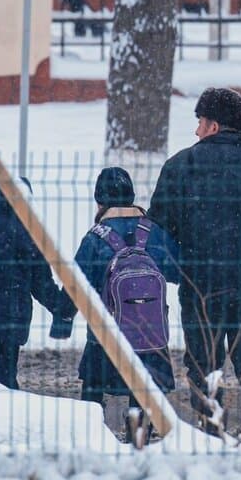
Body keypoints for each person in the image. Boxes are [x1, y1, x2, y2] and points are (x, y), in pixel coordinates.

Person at [148, 87, 241, 443]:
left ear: (214, 125)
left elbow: (158, 232)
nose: (196, 130)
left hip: (200, 284)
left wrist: (181, 271)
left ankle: (211, 428)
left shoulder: (181, 166)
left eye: (200, 122)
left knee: (203, 360)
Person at [74, 167, 179, 443]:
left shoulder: (95, 238)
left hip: (105, 333)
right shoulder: (152, 232)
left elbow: (75, 282)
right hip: (150, 334)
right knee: (143, 385)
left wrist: (61, 318)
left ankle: (91, 433)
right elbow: (177, 270)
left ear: (99, 201)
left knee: (94, 383)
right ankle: (138, 434)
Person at [0, 179, 76, 389]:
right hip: (11, 321)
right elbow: (42, 286)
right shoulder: (28, 238)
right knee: (5, 378)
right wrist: (63, 307)